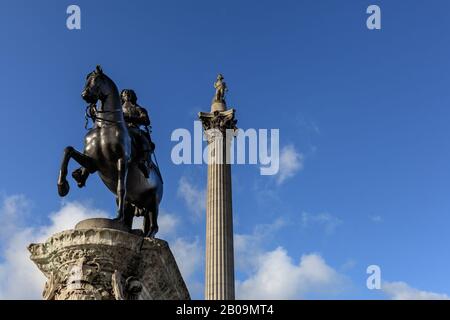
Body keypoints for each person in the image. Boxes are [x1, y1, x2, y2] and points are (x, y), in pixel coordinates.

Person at [120, 89, 155, 178]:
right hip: (120, 129)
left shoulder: (139, 109)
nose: (127, 95)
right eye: (125, 94)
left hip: (134, 129)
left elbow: (146, 120)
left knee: (143, 139)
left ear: (133, 97)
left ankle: (143, 162)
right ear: (122, 97)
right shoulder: (118, 109)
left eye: (129, 94)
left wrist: (130, 117)